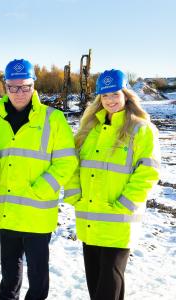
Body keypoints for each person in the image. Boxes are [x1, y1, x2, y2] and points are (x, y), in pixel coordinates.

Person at [64, 69, 160, 300]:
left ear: (126, 94)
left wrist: (125, 204)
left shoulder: (141, 129)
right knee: (95, 283)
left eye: (115, 94)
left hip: (118, 220)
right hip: (90, 218)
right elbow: (72, 166)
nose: (110, 100)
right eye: (105, 96)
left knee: (108, 285)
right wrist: (75, 194)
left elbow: (149, 171)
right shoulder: (89, 129)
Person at [0, 59, 78, 300]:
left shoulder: (53, 119)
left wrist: (41, 189)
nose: (20, 93)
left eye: (25, 86)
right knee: (9, 275)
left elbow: (66, 161)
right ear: (5, 87)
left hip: (37, 212)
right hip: (5, 210)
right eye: (13, 87)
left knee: (38, 278)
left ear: (34, 86)